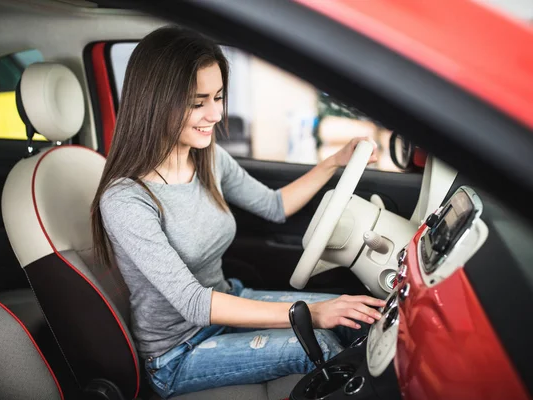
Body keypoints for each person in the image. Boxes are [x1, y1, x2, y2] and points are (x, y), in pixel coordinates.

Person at [90, 26, 385, 399]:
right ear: (154, 102)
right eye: (198, 103)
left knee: (358, 320)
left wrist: (335, 162)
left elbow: (274, 206)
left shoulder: (208, 158)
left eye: (218, 96)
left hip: (230, 299)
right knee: (325, 343)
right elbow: (194, 303)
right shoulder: (126, 199)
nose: (215, 114)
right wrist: (315, 313)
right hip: (178, 353)